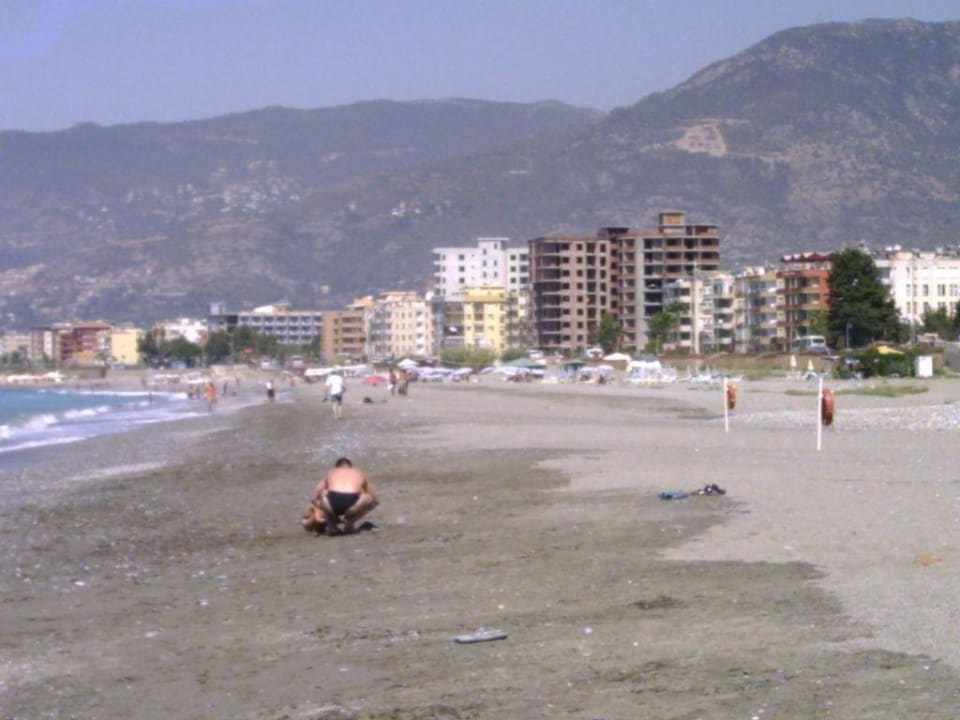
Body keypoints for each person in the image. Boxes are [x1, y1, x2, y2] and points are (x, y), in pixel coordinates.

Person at [302, 457, 378, 536]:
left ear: (337, 467)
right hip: (352, 503)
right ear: (351, 466)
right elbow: (375, 499)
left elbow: (314, 497)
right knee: (368, 497)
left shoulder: (331, 472)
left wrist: (331, 515)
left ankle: (332, 526)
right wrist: (356, 510)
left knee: (323, 493)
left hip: (332, 504)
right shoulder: (358, 472)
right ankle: (349, 524)